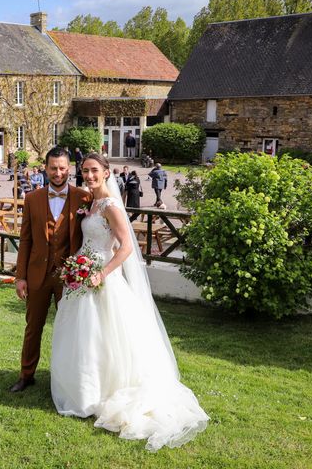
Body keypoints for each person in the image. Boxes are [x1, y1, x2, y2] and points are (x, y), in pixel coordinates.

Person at [50, 153, 209, 452]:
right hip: (82, 275)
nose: (89, 175)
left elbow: (124, 248)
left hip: (102, 278)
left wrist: (102, 273)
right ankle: (83, 390)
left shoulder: (110, 205)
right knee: (83, 335)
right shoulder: (91, 203)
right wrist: (78, 266)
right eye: (85, 171)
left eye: (95, 171)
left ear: (107, 172)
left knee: (104, 336)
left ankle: (103, 390)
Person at [10, 147, 93, 393]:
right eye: (53, 168)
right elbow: (25, 240)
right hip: (37, 275)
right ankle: (26, 375)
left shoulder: (83, 198)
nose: (58, 173)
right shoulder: (32, 198)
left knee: (70, 330)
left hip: (69, 278)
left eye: (62, 168)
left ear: (70, 169)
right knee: (33, 327)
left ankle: (67, 379)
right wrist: (20, 276)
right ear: (45, 168)